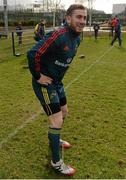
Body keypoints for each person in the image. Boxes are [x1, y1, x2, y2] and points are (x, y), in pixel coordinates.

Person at [27, 4, 87, 176]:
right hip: (45, 83)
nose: (82, 21)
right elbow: (33, 53)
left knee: (64, 112)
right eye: (78, 17)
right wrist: (38, 76)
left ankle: (55, 139)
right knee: (56, 120)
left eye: (84, 17)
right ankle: (56, 162)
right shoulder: (58, 35)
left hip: (57, 83)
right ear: (68, 18)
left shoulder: (77, 38)